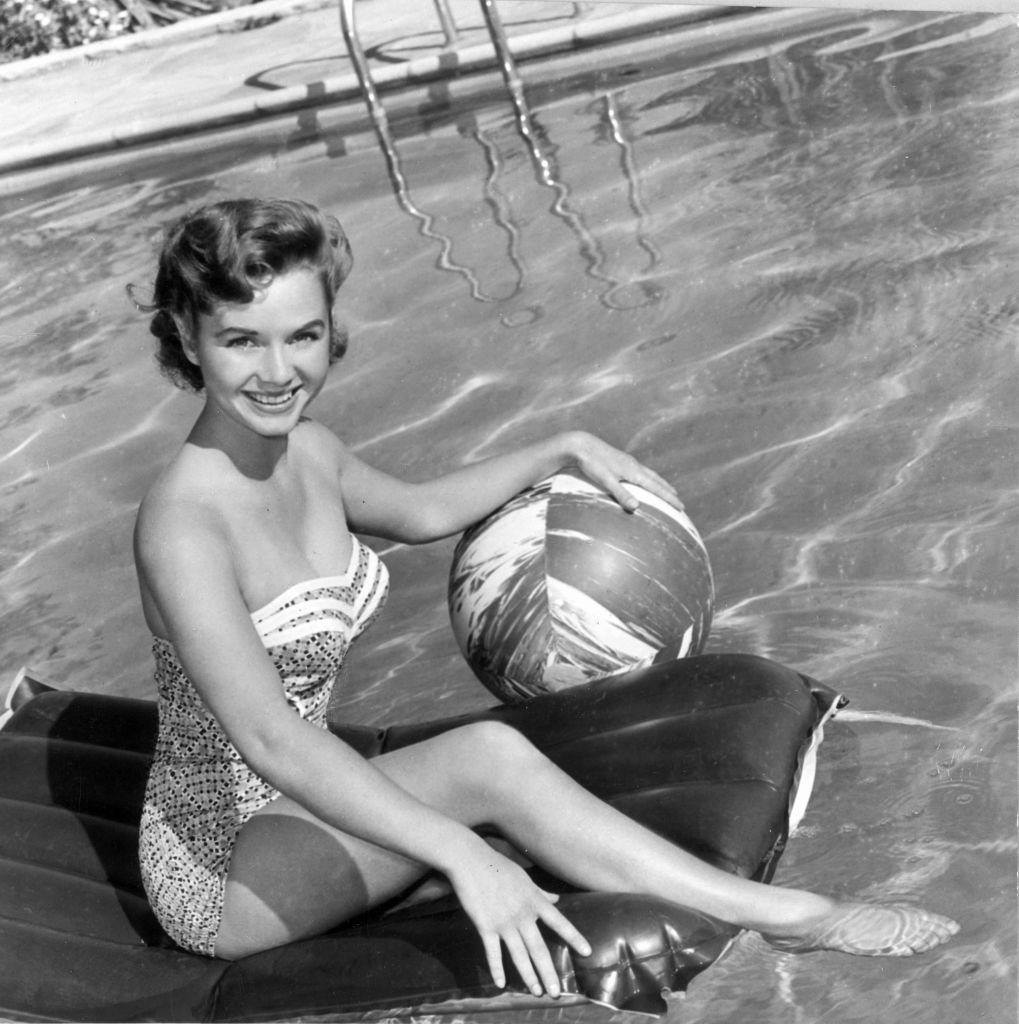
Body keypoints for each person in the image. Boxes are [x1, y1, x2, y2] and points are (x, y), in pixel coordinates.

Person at [133, 197, 958, 996]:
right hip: (223, 867)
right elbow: (270, 738)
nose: (279, 373)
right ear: (187, 336)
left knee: (494, 763)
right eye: (242, 341)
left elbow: (419, 512)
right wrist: (465, 854)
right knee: (483, 759)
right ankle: (787, 916)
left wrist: (557, 449)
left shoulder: (308, 449)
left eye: (303, 336)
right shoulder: (184, 525)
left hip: (301, 806)